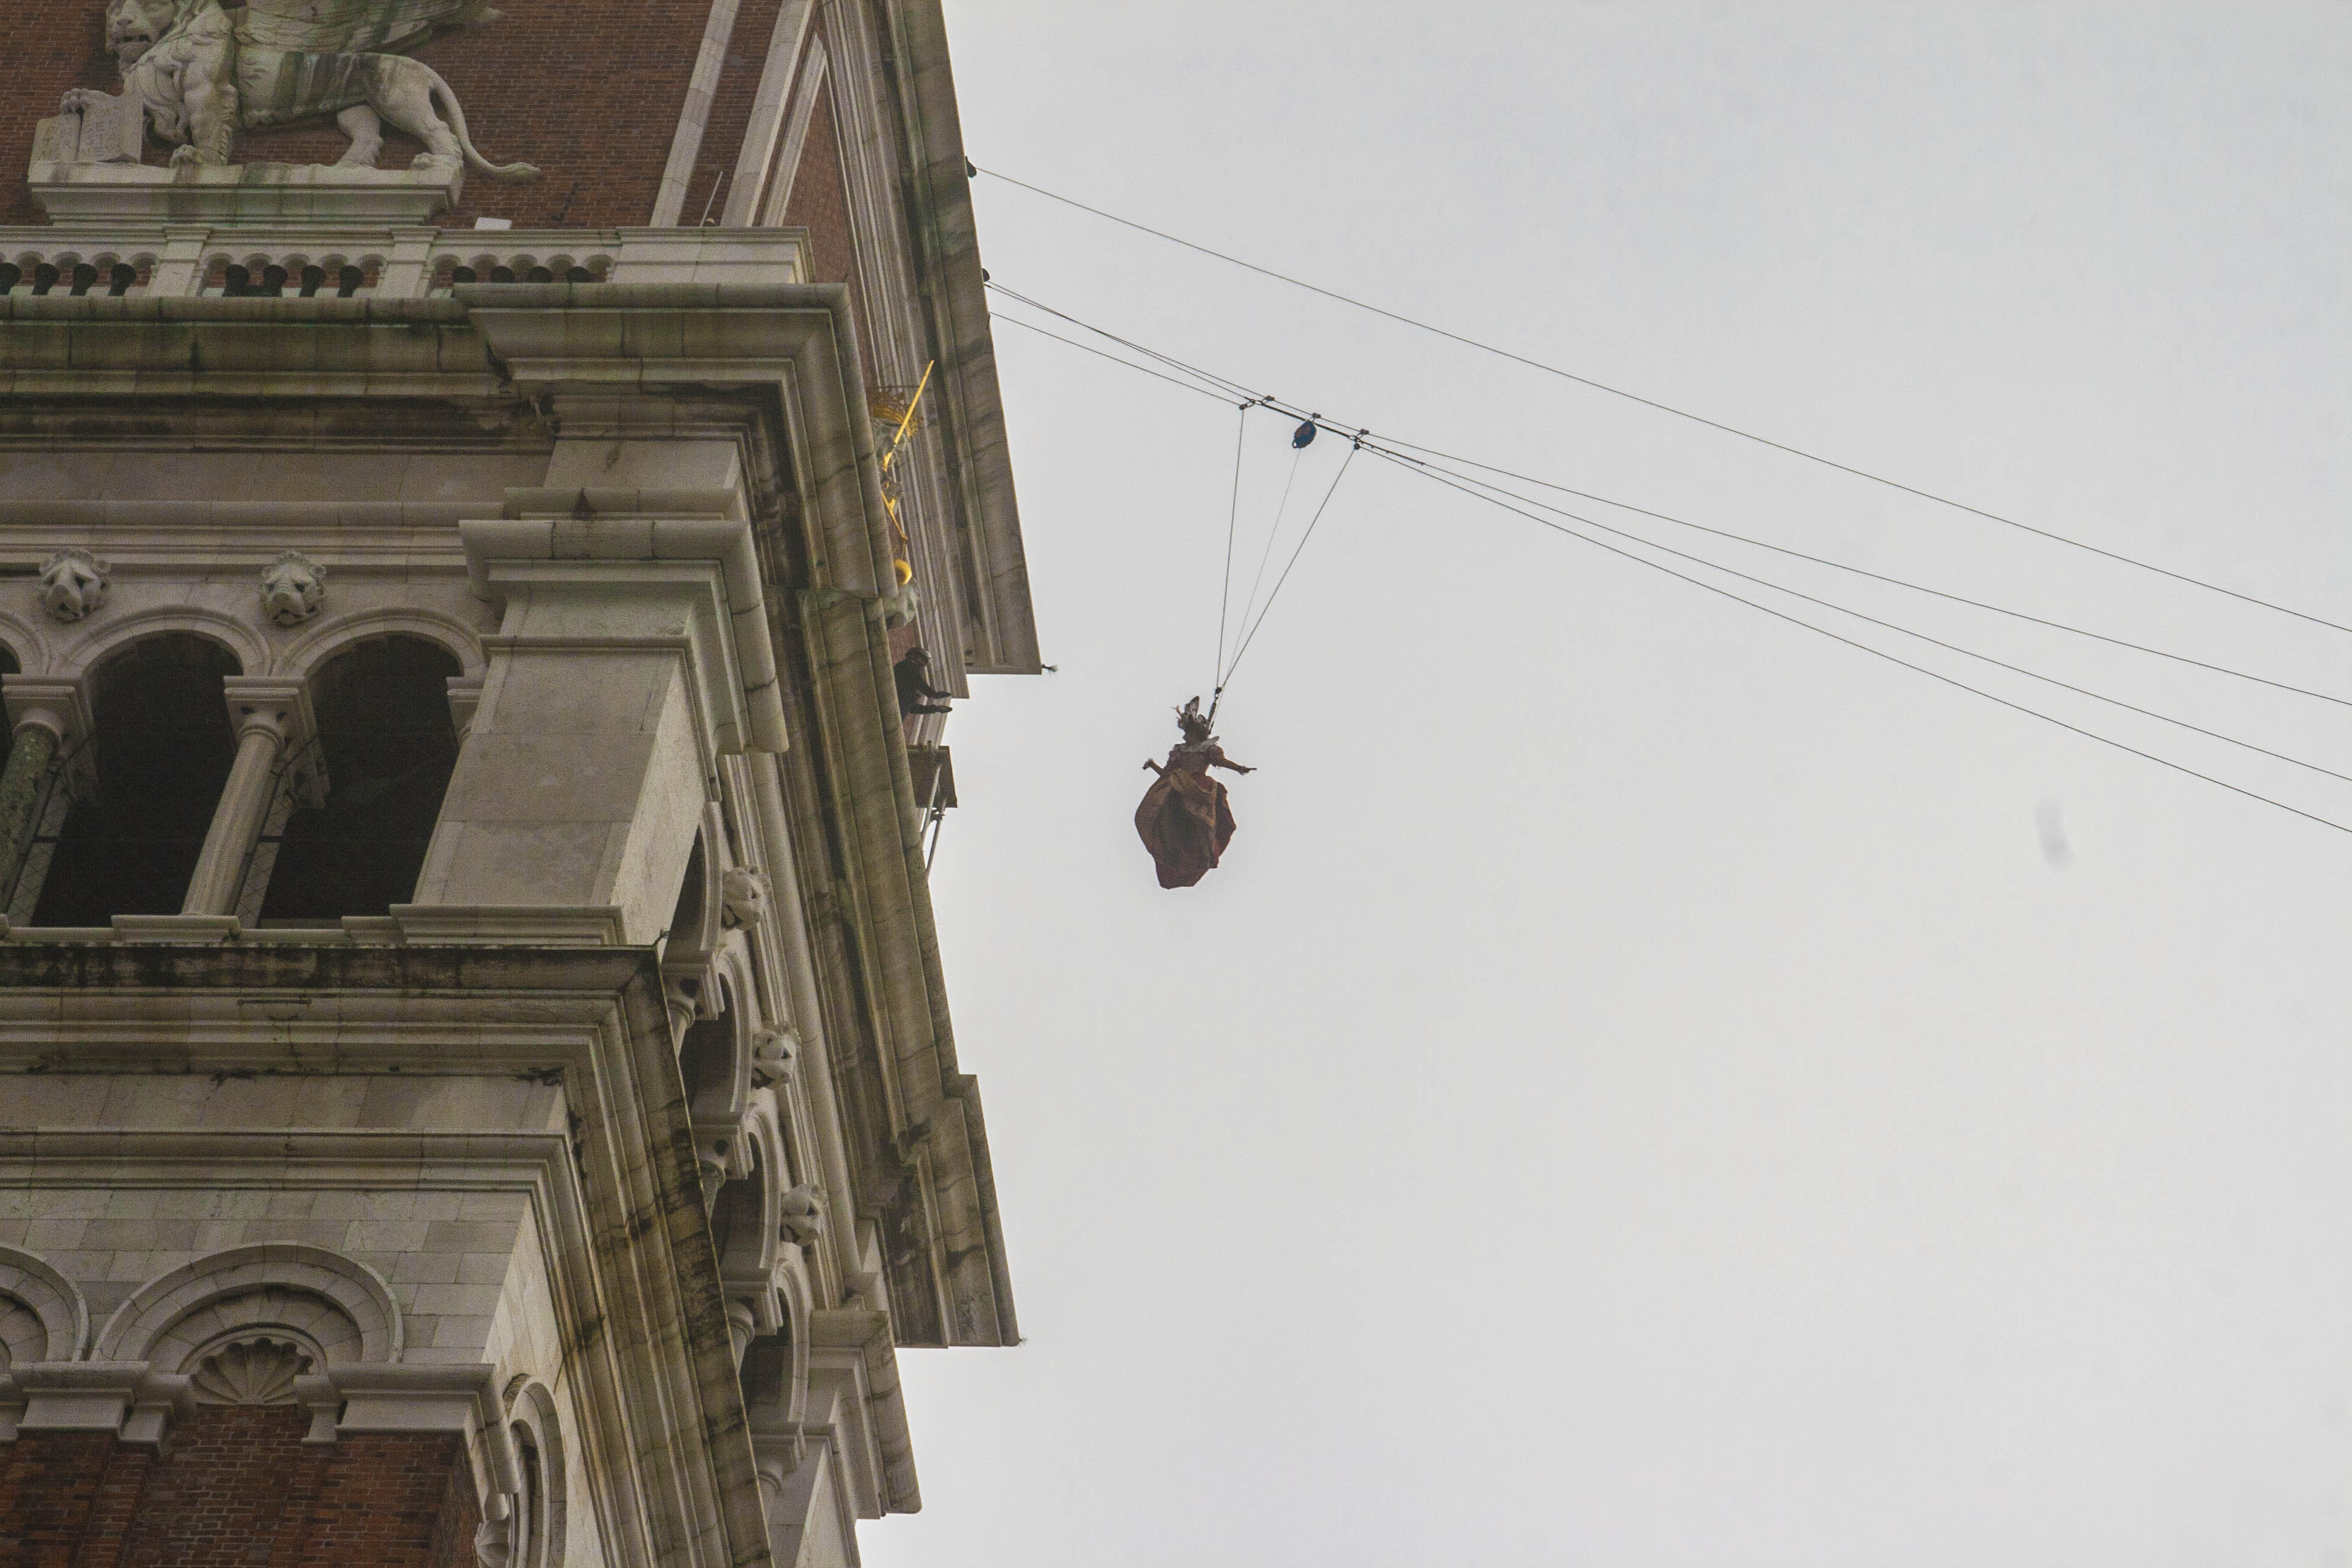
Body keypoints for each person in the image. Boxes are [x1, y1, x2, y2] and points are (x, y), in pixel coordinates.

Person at [1135, 697, 1255, 889]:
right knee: (1168, 808)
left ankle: (1203, 848)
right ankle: (1175, 846)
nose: (1183, 738)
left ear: (1194, 734)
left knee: (1201, 816)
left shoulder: (1209, 749)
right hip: (1180, 784)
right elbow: (1168, 774)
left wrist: (1239, 768)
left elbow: (1221, 762)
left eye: (1186, 734)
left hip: (1199, 787)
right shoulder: (1180, 752)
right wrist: (1153, 766)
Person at [893, 647, 952, 716]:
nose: (922, 664)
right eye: (922, 660)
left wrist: (936, 709)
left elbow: (912, 708)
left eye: (924, 663)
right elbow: (919, 683)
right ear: (913, 656)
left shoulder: (908, 688)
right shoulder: (907, 666)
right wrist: (934, 694)